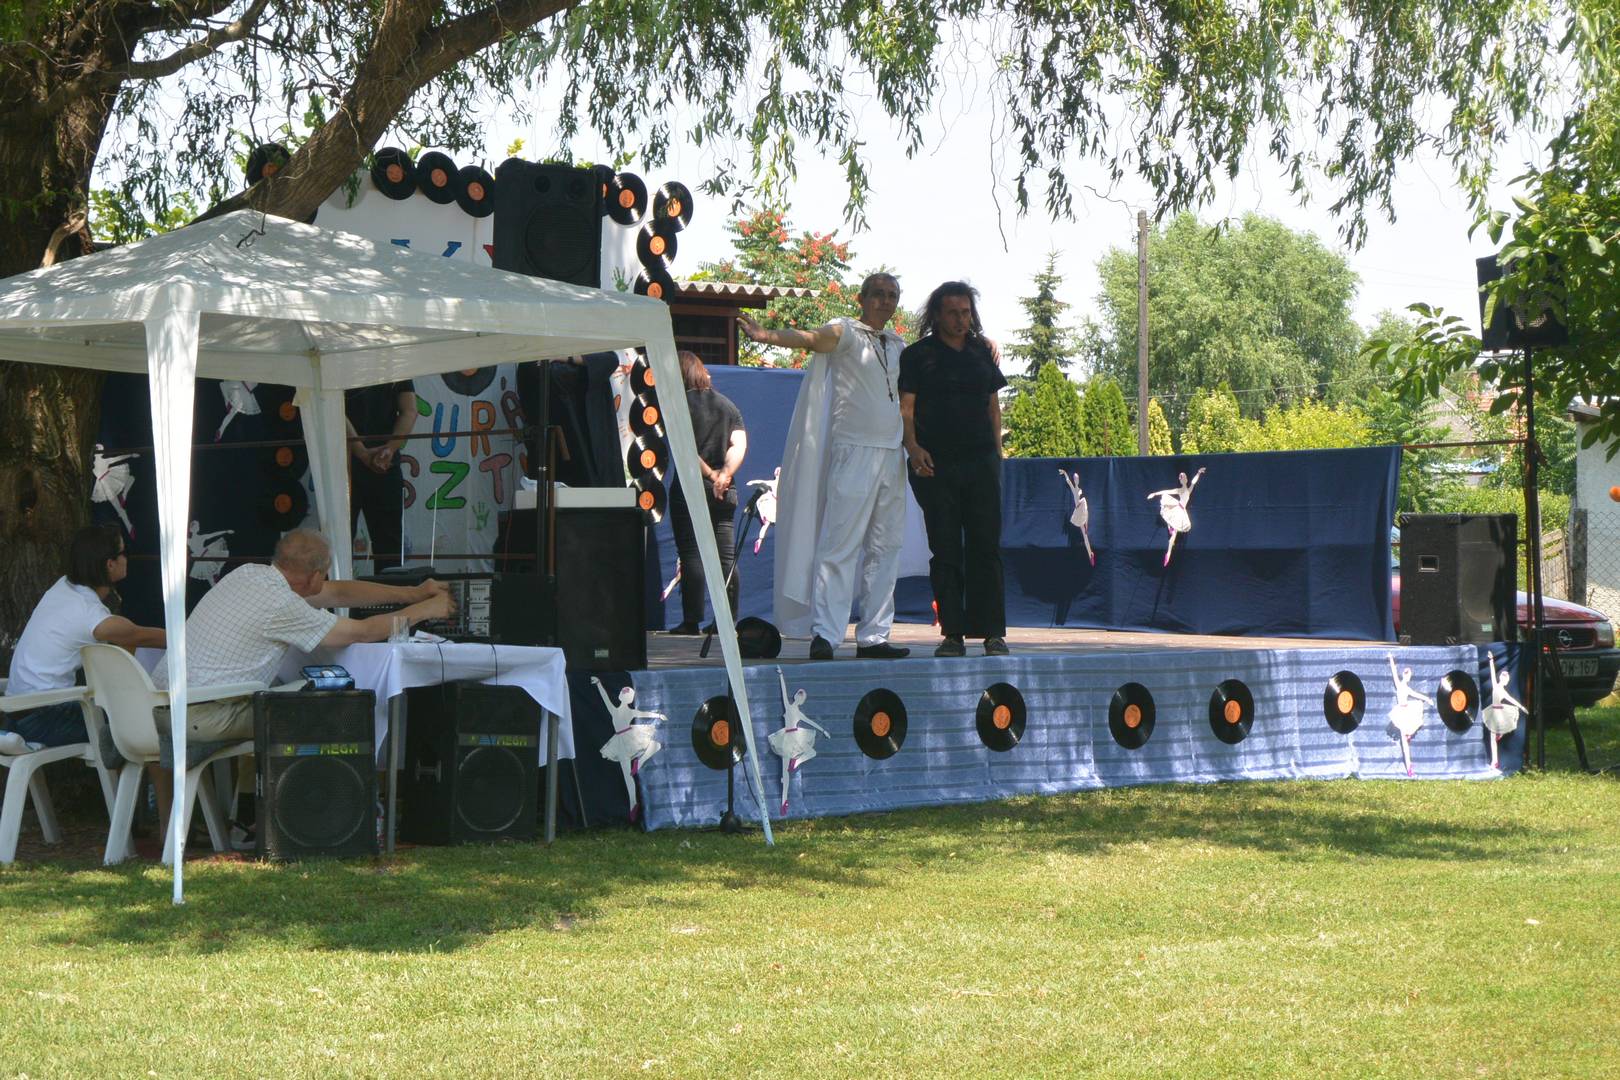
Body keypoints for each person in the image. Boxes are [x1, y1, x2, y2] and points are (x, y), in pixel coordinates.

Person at [150, 529, 453, 745]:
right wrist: (425, 610)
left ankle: (256, 804)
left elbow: (338, 592)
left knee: (281, 694)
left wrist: (413, 593)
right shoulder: (283, 604)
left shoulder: (248, 574)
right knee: (322, 709)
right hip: (202, 715)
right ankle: (312, 807)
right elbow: (362, 632)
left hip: (158, 707)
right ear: (315, 575)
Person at [744, 273, 911, 660]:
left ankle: (874, 636)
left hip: (892, 454)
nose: (885, 301)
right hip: (854, 451)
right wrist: (766, 335)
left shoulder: (898, 344)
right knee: (840, 544)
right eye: (878, 294)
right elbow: (810, 339)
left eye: (892, 295)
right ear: (862, 298)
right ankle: (826, 634)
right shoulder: (846, 332)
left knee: (886, 547)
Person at [899, 281, 1009, 658]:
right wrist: (913, 447)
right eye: (953, 313)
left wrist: (997, 455)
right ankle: (952, 634)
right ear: (937, 315)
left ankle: (993, 633)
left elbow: (993, 406)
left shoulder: (982, 352)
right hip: (935, 465)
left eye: (965, 312)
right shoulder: (918, 355)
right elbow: (906, 409)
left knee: (986, 546)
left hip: (981, 462)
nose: (960, 319)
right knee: (945, 548)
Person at [4, 525, 167, 751]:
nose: (127, 558)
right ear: (110, 564)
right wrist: (190, 637)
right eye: (124, 552)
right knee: (151, 722)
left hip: (16, 714)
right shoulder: (93, 616)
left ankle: (124, 768)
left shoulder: (63, 587)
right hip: (45, 718)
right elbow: (139, 636)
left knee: (126, 716)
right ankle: (152, 775)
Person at [667, 351, 748, 635]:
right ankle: (727, 620)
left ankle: (692, 620)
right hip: (724, 491)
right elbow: (739, 444)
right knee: (726, 557)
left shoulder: (678, 407)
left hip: (690, 487)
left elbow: (685, 448)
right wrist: (724, 475)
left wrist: (711, 475)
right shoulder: (727, 405)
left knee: (691, 553)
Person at [345, 380, 417, 571]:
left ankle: (388, 590)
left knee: (389, 545)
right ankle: (332, 589)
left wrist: (390, 448)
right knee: (337, 540)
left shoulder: (397, 364)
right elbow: (331, 409)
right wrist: (362, 451)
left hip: (384, 463)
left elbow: (409, 411)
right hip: (344, 464)